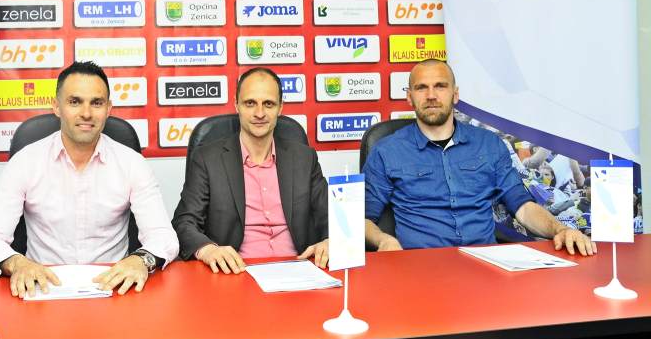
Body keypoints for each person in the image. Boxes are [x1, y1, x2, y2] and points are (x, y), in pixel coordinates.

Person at [364, 59, 595, 256]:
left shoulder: (490, 145)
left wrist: (561, 230)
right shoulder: (387, 151)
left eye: (440, 86)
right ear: (409, 97)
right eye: (421, 88)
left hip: (485, 264)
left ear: (455, 95)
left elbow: (523, 207)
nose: (431, 95)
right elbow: (362, 219)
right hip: (420, 266)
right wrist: (384, 240)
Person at [0, 61, 179, 297]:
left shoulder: (132, 163)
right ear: (56, 106)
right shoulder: (25, 162)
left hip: (113, 288)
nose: (87, 113)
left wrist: (141, 260)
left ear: (108, 108)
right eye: (75, 102)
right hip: (43, 288)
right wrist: (17, 263)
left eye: (97, 103)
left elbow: (163, 236)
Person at [173, 67, 329, 274]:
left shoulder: (304, 158)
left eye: (268, 104)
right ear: (236, 104)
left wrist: (331, 240)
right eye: (250, 103)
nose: (259, 113)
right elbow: (184, 222)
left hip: (301, 272)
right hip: (235, 273)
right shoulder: (207, 159)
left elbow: (331, 216)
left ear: (280, 107)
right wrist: (207, 249)